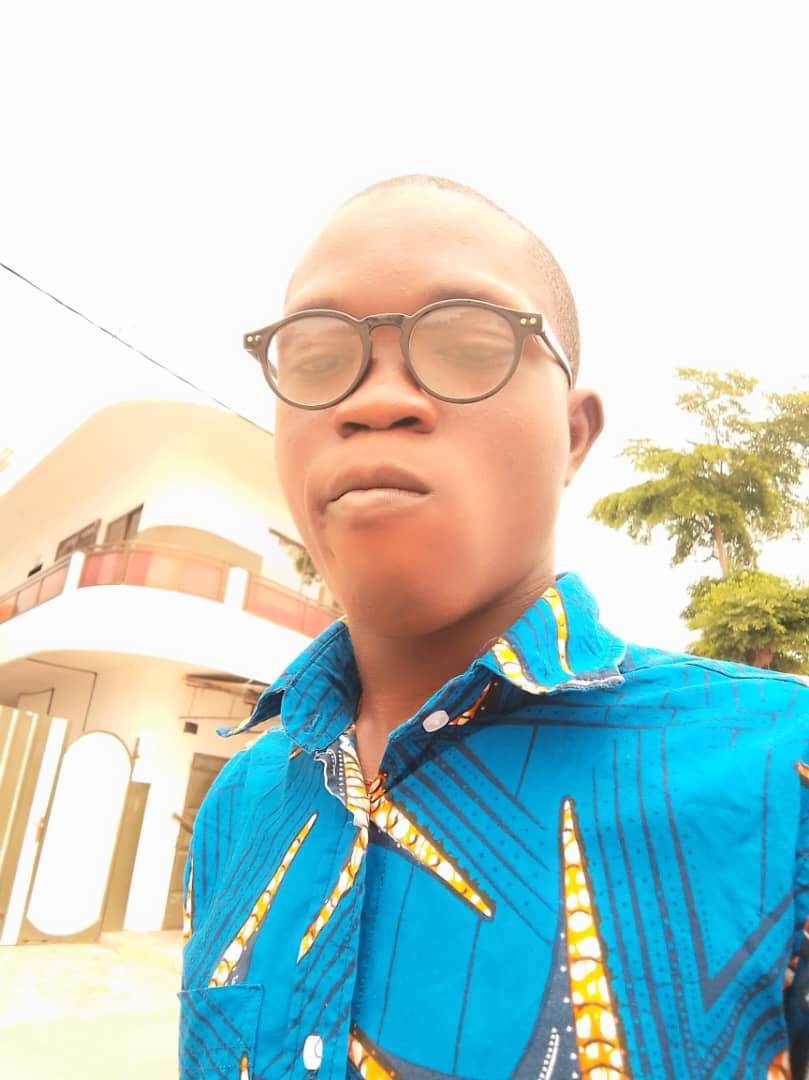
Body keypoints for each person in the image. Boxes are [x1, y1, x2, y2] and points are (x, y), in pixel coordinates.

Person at [179, 175, 808, 1079]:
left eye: (468, 345)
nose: (374, 400)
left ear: (574, 434)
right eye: (316, 358)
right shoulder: (237, 807)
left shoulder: (782, 778)